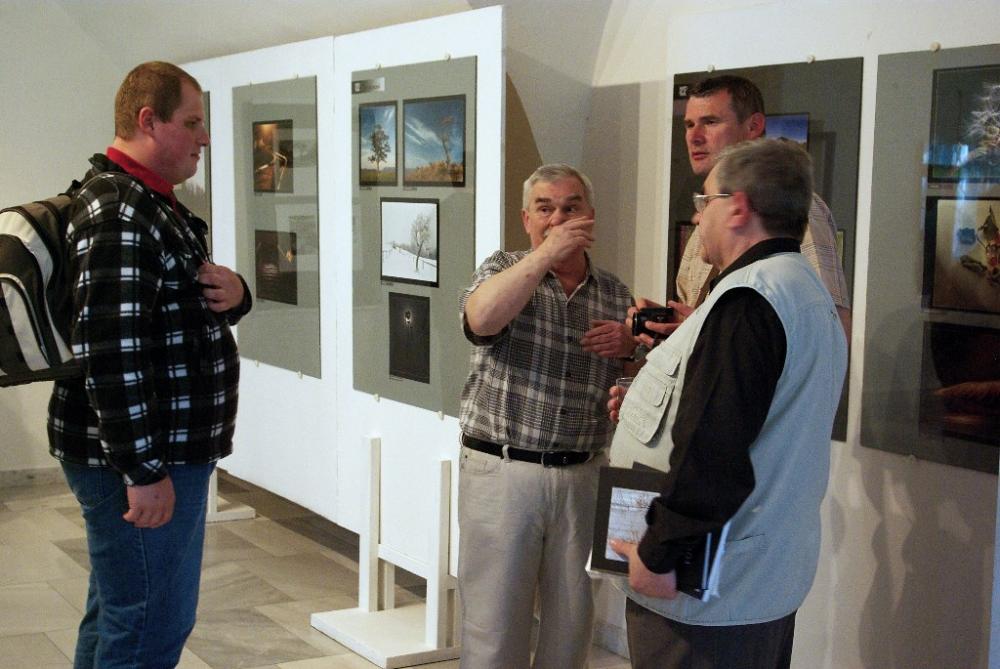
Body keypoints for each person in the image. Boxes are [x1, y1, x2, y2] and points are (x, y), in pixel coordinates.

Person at [607, 139, 848, 669]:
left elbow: (713, 447)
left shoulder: (749, 300)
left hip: (708, 598)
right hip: (758, 583)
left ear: (738, 206)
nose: (697, 219)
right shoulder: (802, 290)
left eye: (705, 202)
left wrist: (659, 552)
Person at [47, 61, 252, 668]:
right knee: (148, 625)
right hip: (141, 457)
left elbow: (175, 312)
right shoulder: (121, 211)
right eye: (191, 122)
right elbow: (112, 352)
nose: (204, 138)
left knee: (121, 614)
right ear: (148, 121)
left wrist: (239, 293)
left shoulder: (150, 204)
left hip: (155, 451)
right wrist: (141, 469)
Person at [458, 164, 636, 668]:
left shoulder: (614, 293)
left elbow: (633, 385)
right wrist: (543, 257)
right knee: (493, 630)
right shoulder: (502, 268)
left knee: (571, 631)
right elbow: (481, 319)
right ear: (526, 219)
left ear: (590, 216)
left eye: (570, 207)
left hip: (583, 475)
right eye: (545, 208)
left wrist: (630, 350)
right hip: (503, 471)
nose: (558, 218)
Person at [640, 75, 850, 342]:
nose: (694, 137)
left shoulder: (792, 207)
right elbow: (700, 322)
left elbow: (831, 325)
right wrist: (667, 330)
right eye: (689, 125)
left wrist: (709, 335)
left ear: (754, 126)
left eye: (710, 122)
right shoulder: (706, 219)